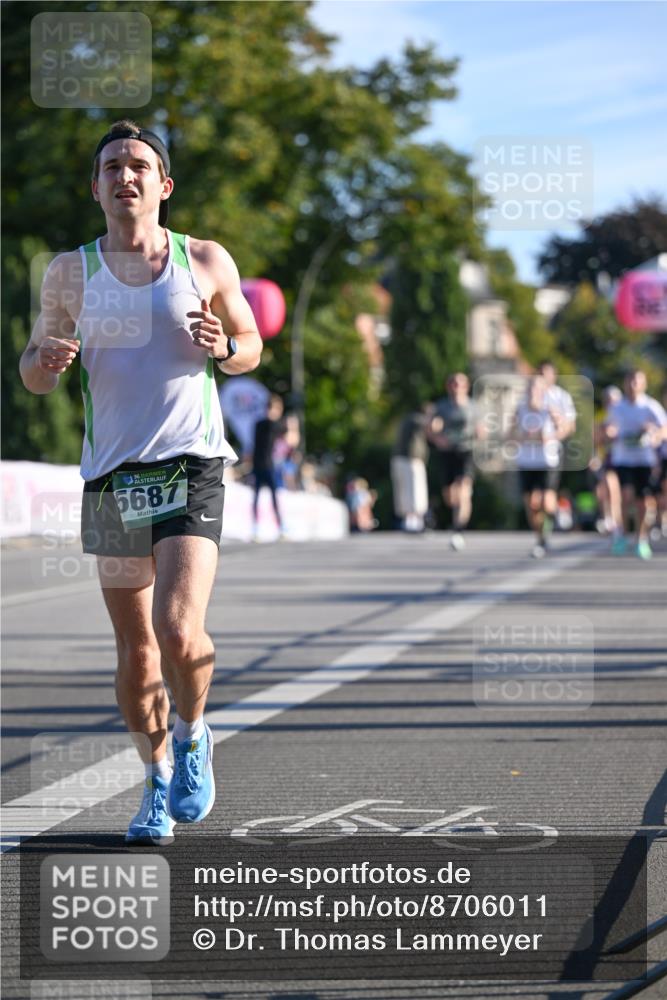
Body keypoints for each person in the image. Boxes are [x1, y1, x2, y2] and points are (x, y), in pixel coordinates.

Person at [19, 120, 263, 844]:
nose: (125, 175)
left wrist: (227, 348)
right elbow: (32, 372)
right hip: (113, 476)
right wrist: (47, 361)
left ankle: (192, 733)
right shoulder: (69, 271)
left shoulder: (205, 258)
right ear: (95, 187)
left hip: (192, 463)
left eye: (138, 165)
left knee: (179, 630)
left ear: (164, 185)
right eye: (111, 166)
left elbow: (250, 345)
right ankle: (155, 780)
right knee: (138, 650)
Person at [604, 369, 667, 559]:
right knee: (625, 496)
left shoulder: (650, 406)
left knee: (645, 504)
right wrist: (610, 432)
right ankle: (621, 534)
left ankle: (641, 539)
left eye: (637, 382)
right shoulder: (618, 407)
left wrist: (655, 434)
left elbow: (664, 428)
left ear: (643, 384)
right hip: (623, 460)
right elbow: (608, 428)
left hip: (645, 461)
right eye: (630, 382)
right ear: (625, 384)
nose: (633, 386)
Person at [430, 373, 481, 550]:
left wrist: (480, 435)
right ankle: (457, 513)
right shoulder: (442, 406)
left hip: (466, 451)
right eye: (453, 383)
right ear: (448, 386)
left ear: (466, 386)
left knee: (463, 491)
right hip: (447, 452)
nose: (456, 387)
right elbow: (431, 428)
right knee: (450, 497)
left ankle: (458, 530)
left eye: (460, 384)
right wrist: (437, 437)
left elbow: (482, 429)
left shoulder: (473, 407)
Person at [511, 375, 561, 558]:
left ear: (543, 391)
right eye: (530, 387)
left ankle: (555, 516)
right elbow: (509, 434)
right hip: (526, 461)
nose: (533, 391)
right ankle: (541, 539)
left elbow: (563, 428)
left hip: (547, 460)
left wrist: (549, 437)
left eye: (537, 388)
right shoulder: (520, 410)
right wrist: (522, 437)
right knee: (531, 505)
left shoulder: (549, 409)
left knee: (546, 503)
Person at [536, 360, 577, 539]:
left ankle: (552, 520)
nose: (543, 378)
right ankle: (540, 536)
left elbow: (571, 427)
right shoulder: (530, 395)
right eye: (540, 374)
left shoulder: (562, 397)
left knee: (547, 497)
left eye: (547, 374)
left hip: (551, 452)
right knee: (533, 502)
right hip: (528, 454)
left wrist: (553, 437)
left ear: (554, 376)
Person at [391, 403, 431, 532]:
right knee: (413, 490)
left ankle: (411, 520)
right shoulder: (416, 419)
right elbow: (429, 425)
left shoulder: (407, 419)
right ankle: (413, 521)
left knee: (406, 490)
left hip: (403, 459)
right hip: (410, 459)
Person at [252, 393, 285, 536]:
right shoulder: (272, 425)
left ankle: (261, 529)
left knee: (262, 497)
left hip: (260, 465)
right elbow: (290, 440)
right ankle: (275, 528)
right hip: (267, 466)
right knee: (267, 497)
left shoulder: (259, 424)